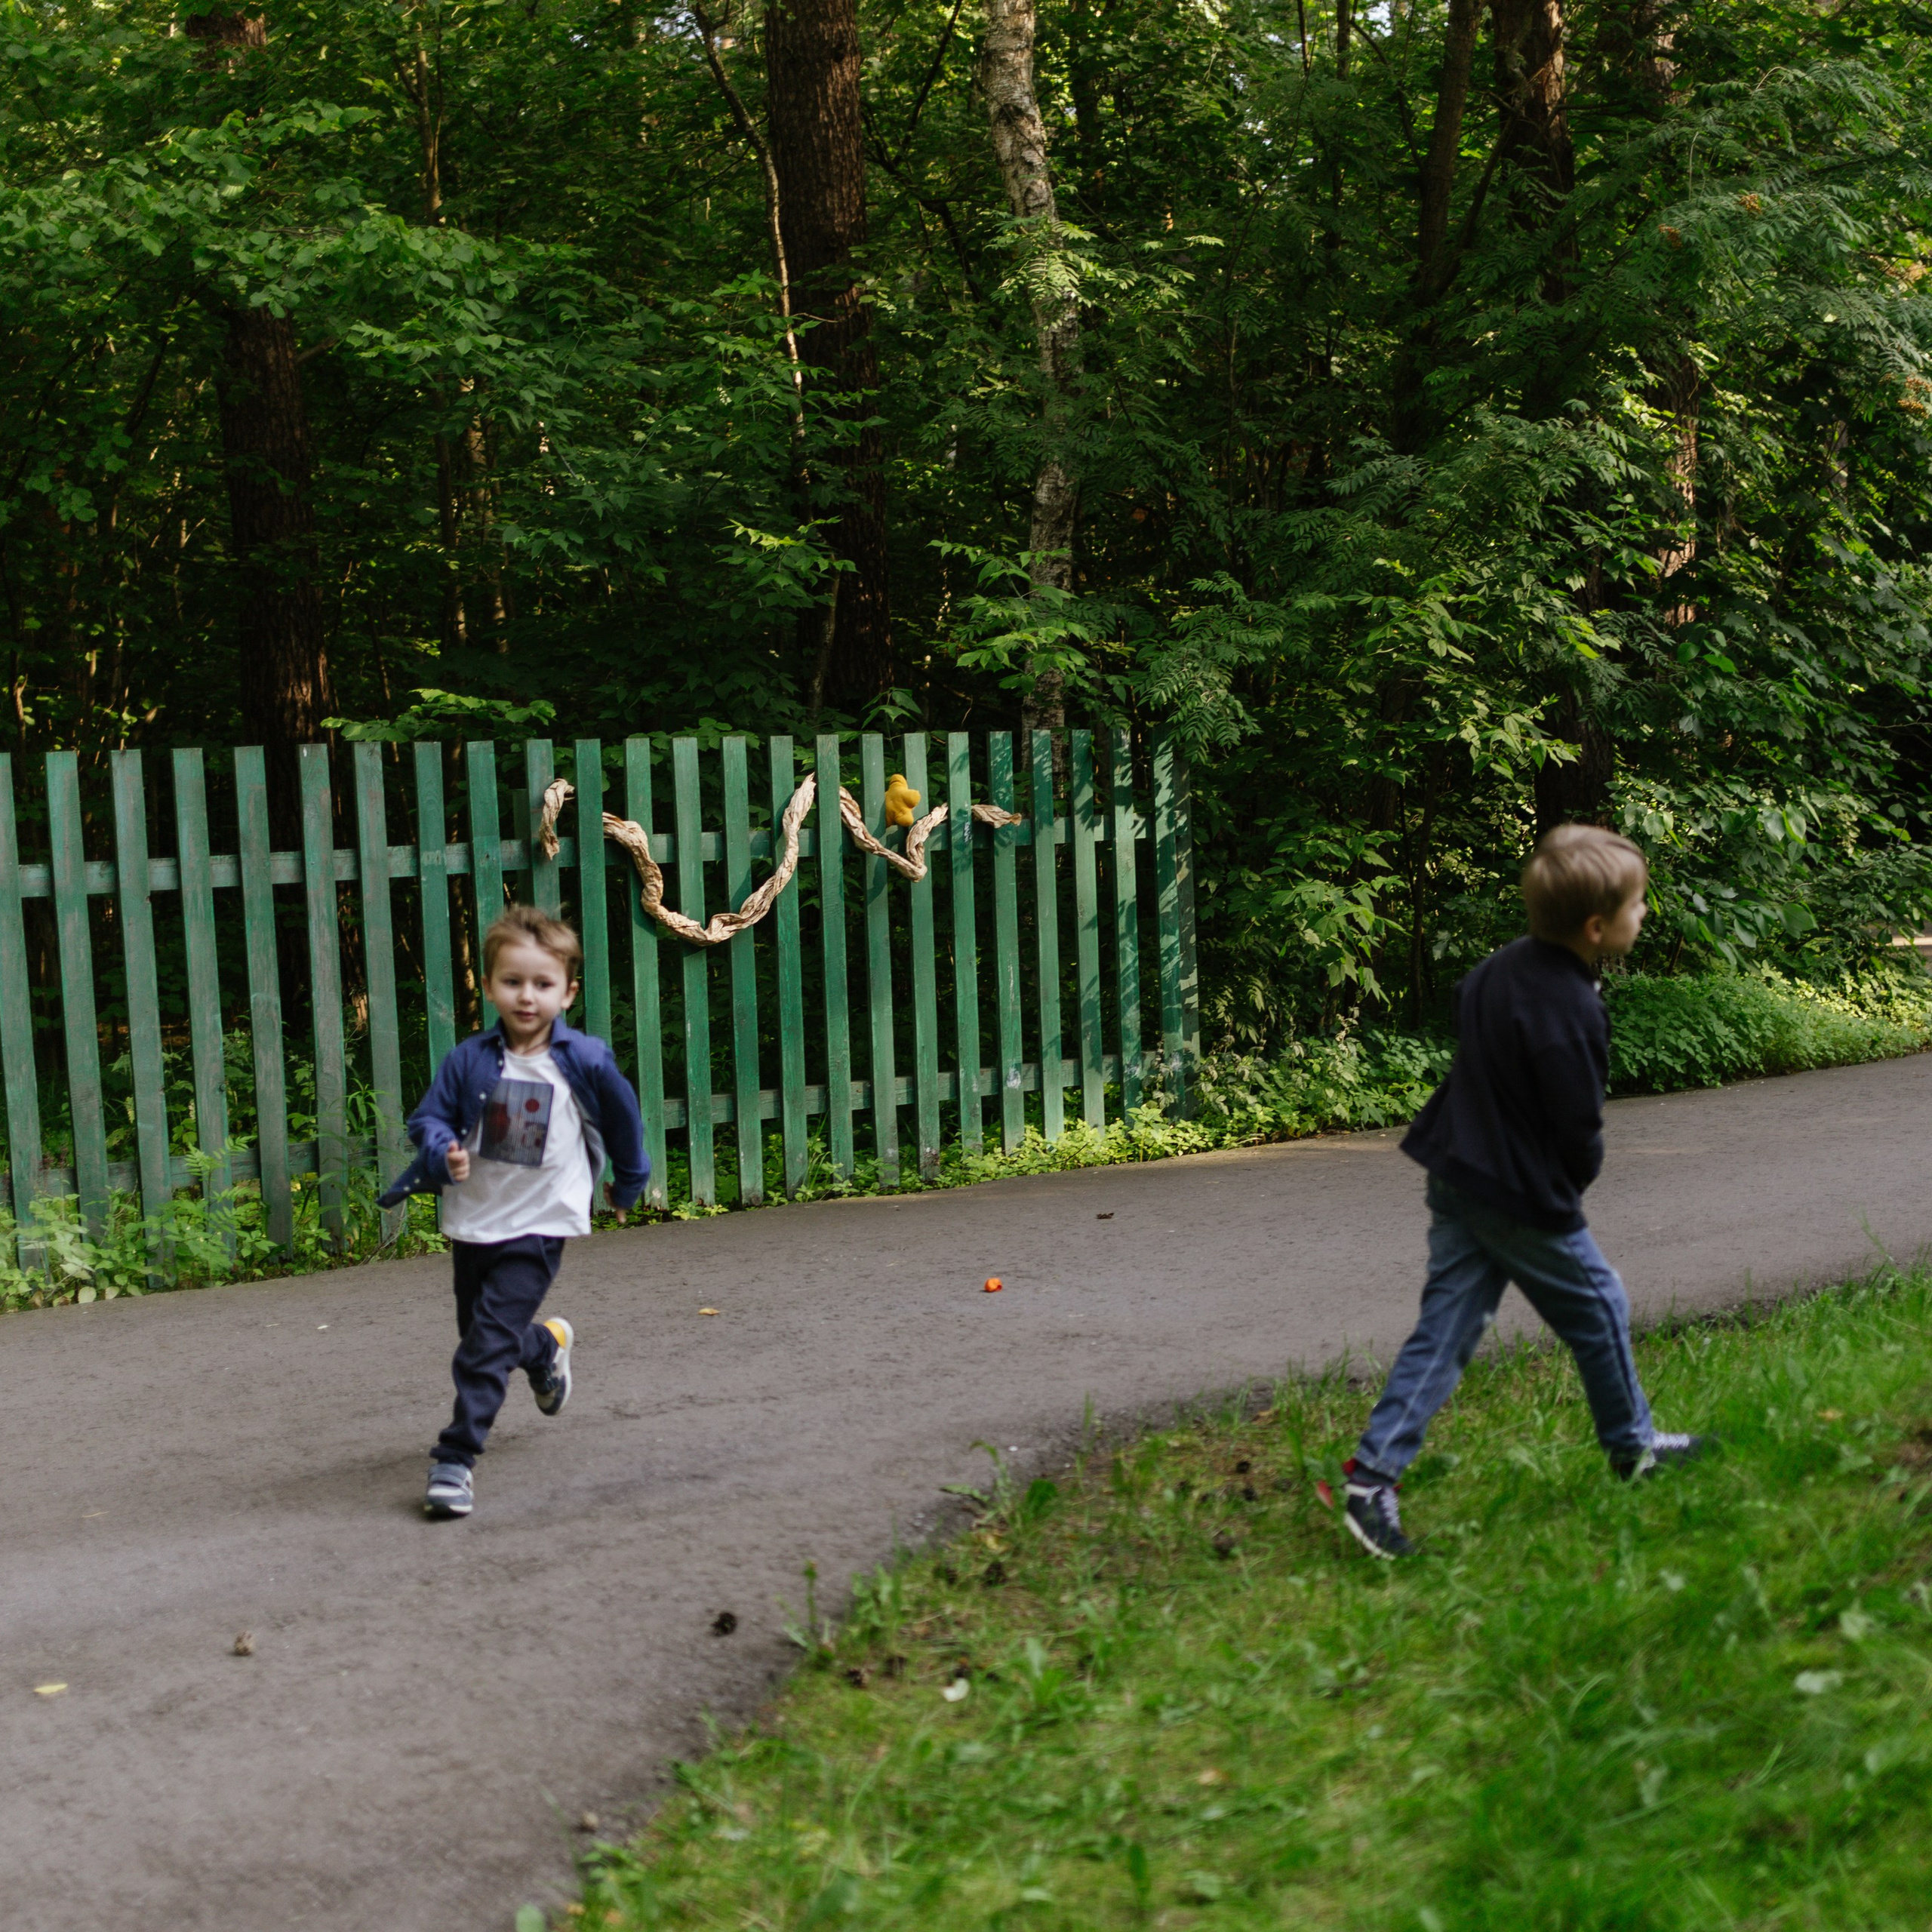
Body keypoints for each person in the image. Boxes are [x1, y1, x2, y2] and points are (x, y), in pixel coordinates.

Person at [1340, 823, 1707, 1560]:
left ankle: (1371, 1476)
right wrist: (1568, 1185)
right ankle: (1631, 1446)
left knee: (1447, 1326)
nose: (1645, 915)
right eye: (1639, 905)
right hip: (1514, 1193)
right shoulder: (1571, 1011)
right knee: (1600, 1305)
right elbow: (1577, 1127)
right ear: (1597, 927)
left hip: (1455, 1172)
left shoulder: (1497, 969)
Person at [380, 903, 649, 1518]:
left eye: (543, 984)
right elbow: (429, 1117)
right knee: (483, 1335)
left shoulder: (584, 1061)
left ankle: (455, 1459)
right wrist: (440, 1147)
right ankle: (545, 1348)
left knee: (481, 1349)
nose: (527, 997)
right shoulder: (468, 1059)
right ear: (490, 985)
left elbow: (624, 1121)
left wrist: (629, 1185)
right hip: (475, 1218)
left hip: (543, 1221)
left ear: (568, 992)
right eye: (513, 982)